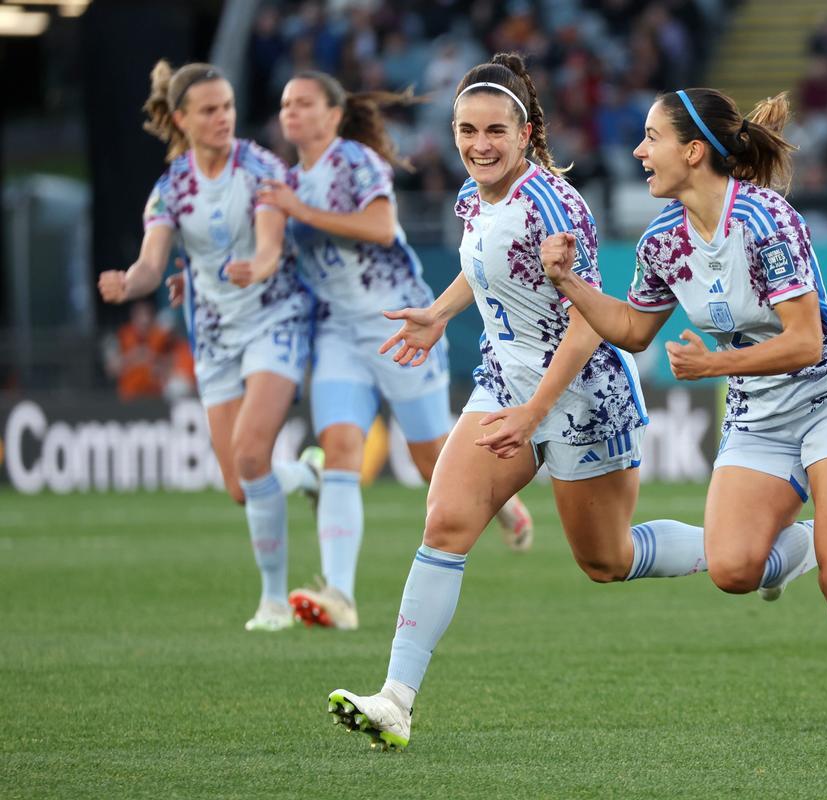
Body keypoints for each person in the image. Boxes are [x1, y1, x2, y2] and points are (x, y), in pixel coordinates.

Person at [325, 53, 712, 751]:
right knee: (444, 521)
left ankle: (758, 549)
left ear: (527, 132)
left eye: (494, 131)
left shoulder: (556, 207)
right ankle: (396, 700)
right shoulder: (473, 199)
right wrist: (439, 312)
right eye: (466, 130)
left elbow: (590, 319)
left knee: (606, 561)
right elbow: (484, 269)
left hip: (580, 398)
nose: (479, 145)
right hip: (504, 382)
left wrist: (537, 413)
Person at [540, 87, 827, 760]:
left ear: (691, 151)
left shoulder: (765, 219)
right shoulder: (662, 242)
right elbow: (632, 330)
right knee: (735, 570)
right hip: (759, 414)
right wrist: (568, 283)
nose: (638, 150)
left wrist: (714, 367)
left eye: (651, 137)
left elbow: (804, 342)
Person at [255, 70, 534, 632]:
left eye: (305, 103)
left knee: (433, 459)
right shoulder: (284, 181)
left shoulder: (353, 162)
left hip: (398, 319)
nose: (292, 112)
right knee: (338, 449)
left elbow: (382, 227)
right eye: (286, 103)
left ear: (333, 115)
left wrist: (298, 211)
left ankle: (504, 504)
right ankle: (339, 596)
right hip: (338, 332)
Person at [98, 61, 317, 633]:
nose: (223, 119)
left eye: (228, 107)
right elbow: (152, 263)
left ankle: (274, 602)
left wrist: (259, 267)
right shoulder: (172, 187)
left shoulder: (262, 167)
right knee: (241, 487)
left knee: (249, 456)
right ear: (182, 119)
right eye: (209, 110)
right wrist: (130, 281)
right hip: (216, 337)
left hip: (275, 319)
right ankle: (306, 476)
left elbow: (270, 245)